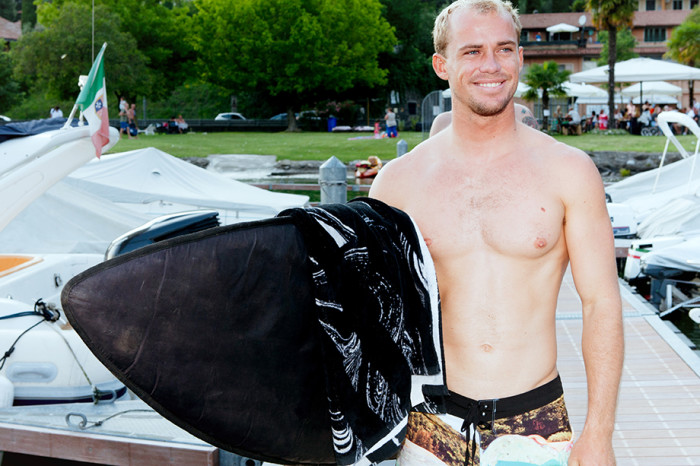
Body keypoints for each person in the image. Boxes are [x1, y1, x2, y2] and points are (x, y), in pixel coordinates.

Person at [369, 1, 623, 465]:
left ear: (520, 57)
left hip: (536, 425)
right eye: (472, 51)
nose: (491, 65)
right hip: (427, 424)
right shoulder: (397, 182)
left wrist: (599, 432)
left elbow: (601, 303)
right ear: (441, 65)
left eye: (504, 49)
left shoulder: (570, 171)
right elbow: (373, 318)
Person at [430, 102, 538, 137]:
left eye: (505, 50)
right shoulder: (444, 122)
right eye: (472, 52)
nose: (490, 67)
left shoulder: (520, 115)